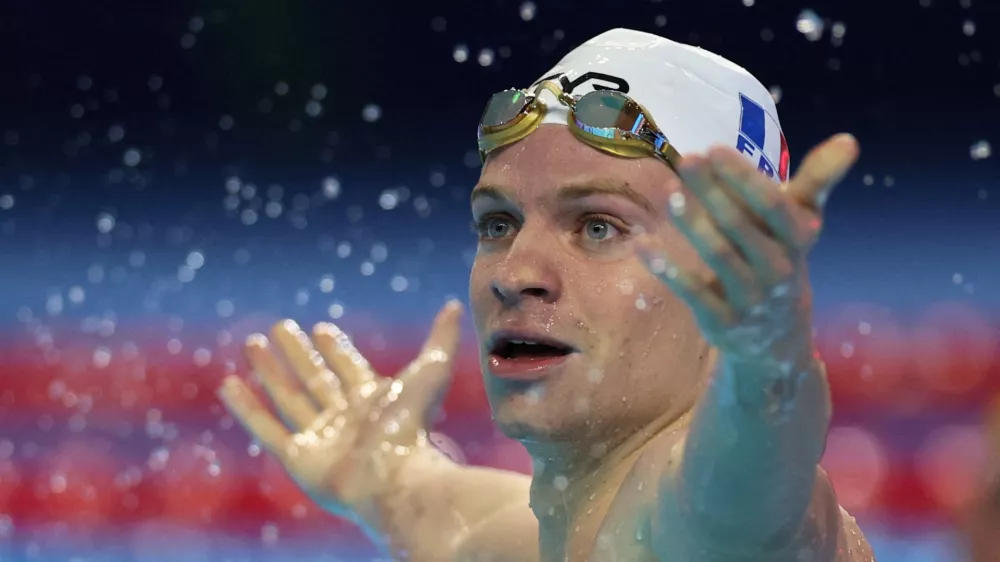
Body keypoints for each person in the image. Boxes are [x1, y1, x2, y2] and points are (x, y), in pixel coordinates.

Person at [217, 28, 874, 561]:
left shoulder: (717, 527)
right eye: (498, 223)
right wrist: (385, 479)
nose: (516, 271)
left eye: (597, 226)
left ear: (723, 271)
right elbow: (453, 526)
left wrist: (767, 361)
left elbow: (754, 481)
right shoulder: (550, 539)